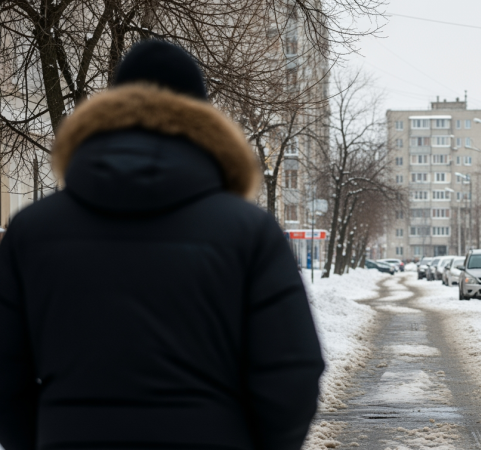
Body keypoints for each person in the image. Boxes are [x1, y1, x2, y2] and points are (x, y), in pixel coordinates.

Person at [0, 40, 324, 450]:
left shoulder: (32, 231)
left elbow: (6, 373)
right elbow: (291, 372)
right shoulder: (250, 232)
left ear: (111, 110)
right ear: (204, 120)